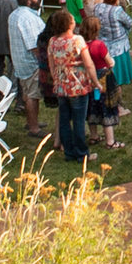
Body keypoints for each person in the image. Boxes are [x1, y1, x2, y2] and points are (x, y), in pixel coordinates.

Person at [43, 9, 98, 164]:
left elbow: (52, 64)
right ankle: (82, 154)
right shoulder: (77, 40)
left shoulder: (53, 41)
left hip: (61, 86)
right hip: (77, 86)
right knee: (79, 121)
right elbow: (89, 64)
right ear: (69, 24)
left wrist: (57, 79)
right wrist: (96, 82)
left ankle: (69, 152)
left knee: (65, 120)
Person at [6, 0, 47, 139]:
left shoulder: (15, 14)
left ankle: (31, 121)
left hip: (19, 61)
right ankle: (34, 128)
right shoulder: (27, 18)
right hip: (30, 63)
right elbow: (33, 45)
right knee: (32, 95)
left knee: (27, 92)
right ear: (29, 1)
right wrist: (43, 62)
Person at [81, 14, 120, 150]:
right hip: (103, 78)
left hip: (88, 79)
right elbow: (110, 62)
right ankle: (110, 141)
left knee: (92, 106)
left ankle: (94, 135)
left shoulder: (82, 45)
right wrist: (112, 63)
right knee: (106, 108)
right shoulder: (99, 45)